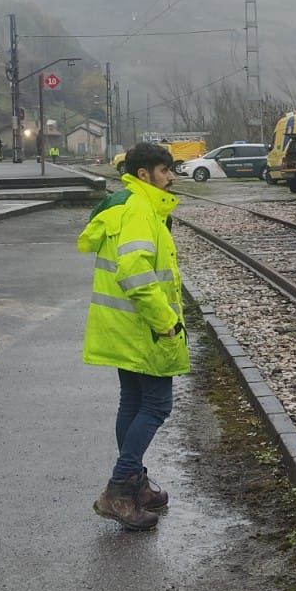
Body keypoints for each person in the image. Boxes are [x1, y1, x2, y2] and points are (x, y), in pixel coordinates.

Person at [76, 142, 187, 529]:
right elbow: (135, 272)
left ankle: (135, 484)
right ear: (144, 175)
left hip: (120, 326)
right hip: (144, 326)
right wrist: (165, 321)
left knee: (134, 400)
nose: (171, 177)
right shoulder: (140, 210)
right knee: (157, 405)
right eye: (164, 170)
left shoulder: (125, 205)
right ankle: (119, 490)